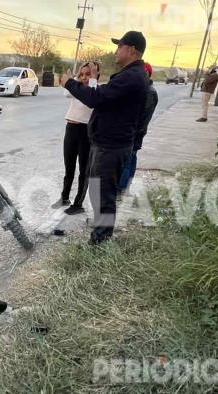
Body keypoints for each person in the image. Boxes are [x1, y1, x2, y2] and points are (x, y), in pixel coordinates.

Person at [61, 31, 149, 244]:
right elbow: (104, 97)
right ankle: (100, 235)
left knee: (104, 196)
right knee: (99, 192)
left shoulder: (132, 77)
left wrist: (70, 83)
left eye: (120, 46)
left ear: (132, 50)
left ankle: (99, 243)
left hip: (112, 146)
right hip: (108, 143)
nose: (116, 50)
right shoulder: (131, 75)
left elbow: (96, 98)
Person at [51, 62, 99, 215]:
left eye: (88, 74)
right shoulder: (77, 89)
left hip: (85, 132)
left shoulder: (95, 90)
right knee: (69, 167)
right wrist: (76, 78)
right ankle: (64, 197)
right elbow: (66, 93)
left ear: (95, 75)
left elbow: (92, 95)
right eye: (82, 74)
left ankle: (78, 204)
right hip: (71, 129)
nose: (84, 77)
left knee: (84, 170)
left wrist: (93, 77)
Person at [118, 62, 159, 196]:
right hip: (135, 131)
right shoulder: (145, 89)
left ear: (147, 73)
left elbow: (143, 117)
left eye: (143, 72)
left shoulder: (149, 92)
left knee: (128, 160)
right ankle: (125, 188)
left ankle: (121, 189)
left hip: (135, 132)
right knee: (131, 159)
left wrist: (133, 131)